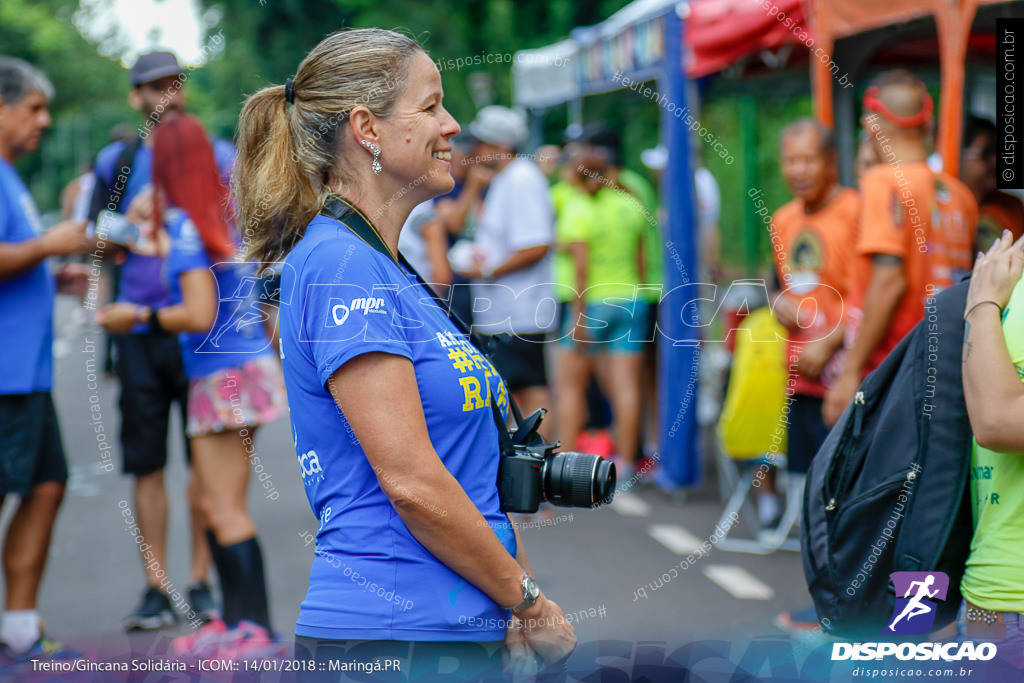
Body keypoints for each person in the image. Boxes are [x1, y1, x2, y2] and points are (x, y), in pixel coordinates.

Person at [232, 28, 576, 678]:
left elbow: (469, 475)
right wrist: (529, 602)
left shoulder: (386, 267)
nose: (451, 125)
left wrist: (512, 596)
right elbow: (413, 483)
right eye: (430, 106)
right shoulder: (340, 264)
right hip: (390, 638)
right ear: (367, 127)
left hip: (449, 630)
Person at [97, 113, 286, 659]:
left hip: (218, 375)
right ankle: (236, 621)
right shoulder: (213, 217)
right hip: (245, 371)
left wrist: (137, 315)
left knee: (221, 507)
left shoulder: (184, 224)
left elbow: (198, 312)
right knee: (214, 500)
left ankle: (252, 630)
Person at [89, 50, 229, 630]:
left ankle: (200, 580)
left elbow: (236, 235)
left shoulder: (216, 155)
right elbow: (99, 242)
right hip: (141, 327)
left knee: (205, 462)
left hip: (201, 328)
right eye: (153, 87)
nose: (165, 95)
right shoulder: (117, 162)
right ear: (135, 96)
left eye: (174, 83)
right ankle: (157, 586)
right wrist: (102, 320)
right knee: (146, 463)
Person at [823, 69, 978, 425]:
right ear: (928, 121)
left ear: (871, 124)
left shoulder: (883, 182)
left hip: (895, 370)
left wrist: (850, 372)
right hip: (952, 366)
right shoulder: (959, 194)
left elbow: (889, 281)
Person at [0, 56, 88, 668]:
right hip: (4, 377)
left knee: (46, 485)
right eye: (33, 107)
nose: (44, 120)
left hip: (26, 375)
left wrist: (51, 273)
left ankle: (20, 631)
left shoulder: (11, 176)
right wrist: (49, 245)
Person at [768, 119, 859, 634]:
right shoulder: (782, 219)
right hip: (802, 381)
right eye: (790, 160)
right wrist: (779, 304)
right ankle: (827, 603)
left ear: (831, 162)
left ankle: (858, 606)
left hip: (849, 380)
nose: (799, 171)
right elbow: (775, 284)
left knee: (850, 495)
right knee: (812, 494)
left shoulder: (858, 211)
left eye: (809, 160)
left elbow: (872, 291)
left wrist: (834, 339)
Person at [462, 106, 557, 439]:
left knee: (528, 390)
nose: (476, 151)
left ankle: (541, 463)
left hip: (519, 311)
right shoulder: (508, 179)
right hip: (508, 312)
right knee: (517, 390)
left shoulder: (520, 179)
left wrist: (488, 270)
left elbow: (536, 245)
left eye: (482, 144)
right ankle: (533, 464)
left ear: (501, 147)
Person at [556, 148, 648, 484]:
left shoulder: (577, 209)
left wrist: (579, 318)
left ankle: (563, 466)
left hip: (594, 302)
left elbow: (582, 268)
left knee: (570, 387)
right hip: (633, 299)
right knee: (626, 387)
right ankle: (625, 464)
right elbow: (642, 260)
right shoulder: (629, 205)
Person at [958, 230, 1024, 668]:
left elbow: (999, 420)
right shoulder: (1001, 275)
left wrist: (980, 309)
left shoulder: (995, 279)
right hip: (1000, 596)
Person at [961, 115, 1024, 249]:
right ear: (959, 158)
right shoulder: (941, 206)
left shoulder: (1011, 208)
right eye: (986, 153)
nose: (996, 161)